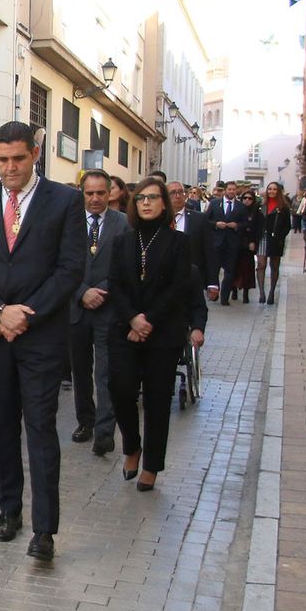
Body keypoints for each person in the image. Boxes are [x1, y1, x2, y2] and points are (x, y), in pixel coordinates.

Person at [0, 121, 86, 560]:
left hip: (41, 337)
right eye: (2, 160)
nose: (10, 168)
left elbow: (69, 269)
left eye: (18, 159)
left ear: (34, 154)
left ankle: (44, 529)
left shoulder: (65, 201)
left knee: (41, 428)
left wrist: (25, 314)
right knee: (3, 427)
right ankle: (9, 510)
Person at [107, 179, 190, 493]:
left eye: (153, 198)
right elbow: (114, 283)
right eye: (141, 198)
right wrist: (132, 318)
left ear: (164, 203)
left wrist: (148, 320)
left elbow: (178, 288)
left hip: (162, 332)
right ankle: (132, 445)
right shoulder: (123, 240)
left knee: (157, 401)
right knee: (120, 388)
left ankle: (152, 465)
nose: (146, 203)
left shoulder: (178, 242)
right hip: (125, 330)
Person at [69, 170, 127, 458]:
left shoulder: (123, 224)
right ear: (83, 193)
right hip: (76, 309)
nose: (94, 198)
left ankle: (105, 433)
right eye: (89, 193)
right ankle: (85, 422)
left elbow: (125, 267)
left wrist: (100, 291)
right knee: (80, 371)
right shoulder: (69, 222)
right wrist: (82, 292)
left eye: (100, 193)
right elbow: (61, 264)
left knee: (105, 373)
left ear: (110, 193)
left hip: (109, 309)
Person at [168, 181, 220, 303]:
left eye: (181, 192)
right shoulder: (158, 219)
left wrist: (212, 282)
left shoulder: (199, 219)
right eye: (173, 193)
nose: (178, 196)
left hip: (191, 279)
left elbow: (209, 251)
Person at [211, 181, 248, 305]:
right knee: (214, 269)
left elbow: (245, 224)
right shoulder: (215, 204)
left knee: (229, 271)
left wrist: (237, 225)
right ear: (225, 190)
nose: (231, 191)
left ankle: (224, 298)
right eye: (229, 189)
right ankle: (214, 292)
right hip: (217, 242)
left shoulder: (241, 207)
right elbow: (206, 220)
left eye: (233, 189)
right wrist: (216, 224)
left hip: (232, 243)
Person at [257, 180, 292, 305]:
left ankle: (271, 291)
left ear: (278, 192)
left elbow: (287, 226)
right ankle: (261, 292)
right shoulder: (261, 205)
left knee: (274, 266)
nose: (272, 191)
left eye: (274, 189)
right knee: (261, 264)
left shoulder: (283, 207)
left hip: (276, 239)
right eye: (270, 189)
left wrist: (280, 237)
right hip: (262, 238)